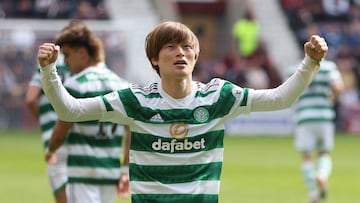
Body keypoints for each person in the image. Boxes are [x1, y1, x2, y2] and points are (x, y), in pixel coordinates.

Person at [38, 21, 328, 203]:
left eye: (187, 47)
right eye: (170, 46)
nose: (181, 52)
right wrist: (49, 70)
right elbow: (70, 109)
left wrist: (310, 63)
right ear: (154, 59)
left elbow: (280, 99)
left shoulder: (218, 96)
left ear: (196, 55)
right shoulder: (135, 101)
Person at [42, 20, 130, 203]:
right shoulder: (122, 85)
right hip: (110, 172)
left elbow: (61, 131)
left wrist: (50, 151)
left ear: (82, 53)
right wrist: (125, 169)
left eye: (67, 55)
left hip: (82, 172)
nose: (65, 62)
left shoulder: (76, 85)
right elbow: (131, 131)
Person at [288, 59, 344, 203]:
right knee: (324, 152)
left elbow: (288, 94)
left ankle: (313, 194)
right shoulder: (329, 67)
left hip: (305, 116)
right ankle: (322, 175)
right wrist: (333, 97)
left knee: (307, 157)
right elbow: (338, 87)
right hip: (324, 115)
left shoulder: (295, 68)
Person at [25, 60, 70, 203]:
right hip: (78, 136)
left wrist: (44, 118)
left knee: (62, 193)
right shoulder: (78, 63)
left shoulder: (47, 63)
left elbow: (31, 99)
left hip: (52, 136)